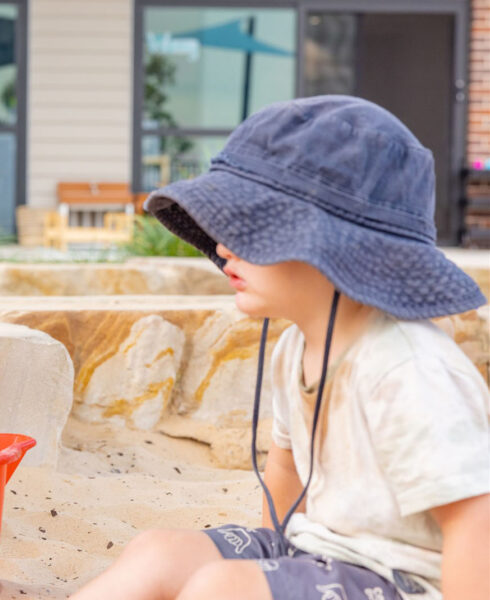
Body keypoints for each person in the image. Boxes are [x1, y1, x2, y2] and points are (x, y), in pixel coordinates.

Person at [71, 96, 489, 600]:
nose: (223, 246)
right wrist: (274, 569)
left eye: (252, 229)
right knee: (158, 552)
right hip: (320, 549)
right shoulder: (295, 345)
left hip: (408, 579)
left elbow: (473, 520)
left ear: (334, 248)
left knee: (220, 588)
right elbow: (286, 468)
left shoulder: (407, 369)